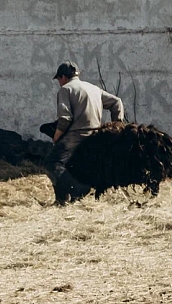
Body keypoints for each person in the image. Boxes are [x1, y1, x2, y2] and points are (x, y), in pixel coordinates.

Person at [43, 61, 124, 204]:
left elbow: (65, 118)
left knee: (52, 162)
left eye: (58, 79)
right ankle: (62, 200)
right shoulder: (94, 88)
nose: (59, 83)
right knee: (69, 165)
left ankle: (78, 190)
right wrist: (116, 127)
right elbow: (116, 102)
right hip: (95, 135)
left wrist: (57, 137)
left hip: (77, 134)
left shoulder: (66, 89)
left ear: (63, 77)